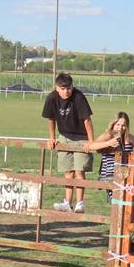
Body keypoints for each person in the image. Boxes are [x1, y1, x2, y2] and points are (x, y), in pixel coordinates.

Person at [87, 112, 134, 247]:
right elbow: (91, 146)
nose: (120, 128)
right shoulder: (108, 135)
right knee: (121, 207)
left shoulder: (129, 138)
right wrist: (108, 143)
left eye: (124, 125)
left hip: (127, 177)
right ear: (113, 124)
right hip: (110, 176)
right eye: (118, 124)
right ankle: (120, 239)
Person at [42, 72, 94, 212]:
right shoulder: (52, 98)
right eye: (63, 89)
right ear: (57, 88)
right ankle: (67, 202)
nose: (66, 91)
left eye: (69, 88)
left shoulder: (79, 97)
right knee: (67, 171)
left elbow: (87, 120)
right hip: (64, 136)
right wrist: (52, 137)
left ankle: (80, 203)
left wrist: (91, 141)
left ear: (72, 86)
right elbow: (51, 119)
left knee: (79, 171)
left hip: (81, 137)